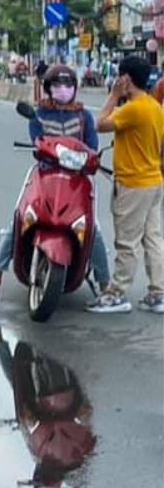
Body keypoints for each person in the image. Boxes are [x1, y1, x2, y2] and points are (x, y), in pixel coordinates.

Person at [0, 64, 112, 300]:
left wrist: (91, 159)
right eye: (56, 85)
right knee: (19, 220)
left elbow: (92, 147)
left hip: (76, 181)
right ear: (48, 88)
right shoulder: (39, 114)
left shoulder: (83, 116)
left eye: (67, 85)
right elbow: (37, 142)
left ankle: (105, 285)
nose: (62, 90)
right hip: (46, 176)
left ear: (74, 88)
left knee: (93, 231)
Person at [88, 55, 164, 314]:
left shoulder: (132, 109)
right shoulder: (155, 107)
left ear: (126, 79)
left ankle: (116, 294)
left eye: (120, 76)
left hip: (133, 183)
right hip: (153, 181)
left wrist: (112, 96)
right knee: (152, 239)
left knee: (127, 242)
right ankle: (157, 293)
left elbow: (99, 124)